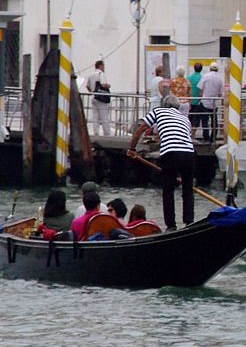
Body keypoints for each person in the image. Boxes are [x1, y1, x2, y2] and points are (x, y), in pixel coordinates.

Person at [127, 94, 196, 231]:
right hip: (189, 153)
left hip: (170, 153)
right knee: (188, 190)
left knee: (168, 190)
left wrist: (132, 148)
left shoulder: (158, 111)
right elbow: (184, 135)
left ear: (164, 105)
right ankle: (189, 223)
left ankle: (171, 226)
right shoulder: (184, 118)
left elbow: (140, 129)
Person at [82, 60, 112, 136]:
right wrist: (108, 85)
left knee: (95, 116)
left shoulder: (91, 74)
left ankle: (96, 132)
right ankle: (107, 133)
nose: (104, 68)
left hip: (93, 97)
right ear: (100, 66)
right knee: (104, 116)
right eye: (103, 66)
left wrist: (92, 92)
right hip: (101, 98)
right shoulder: (101, 74)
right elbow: (103, 84)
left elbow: (87, 86)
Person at [199, 62, 225, 142]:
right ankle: (213, 137)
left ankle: (206, 138)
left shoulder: (205, 76)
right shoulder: (220, 79)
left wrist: (200, 98)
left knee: (205, 121)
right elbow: (221, 93)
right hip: (214, 103)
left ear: (210, 68)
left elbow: (200, 88)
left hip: (205, 101)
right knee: (214, 121)